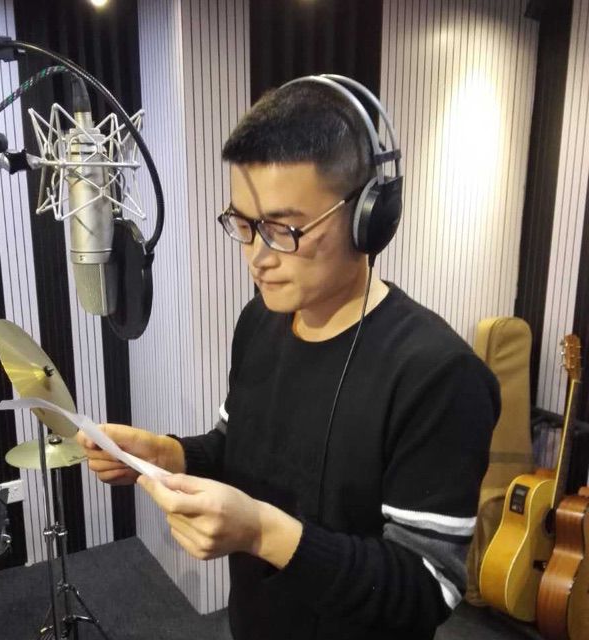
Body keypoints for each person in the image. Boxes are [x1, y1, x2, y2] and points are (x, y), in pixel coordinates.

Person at [78, 78, 500, 640]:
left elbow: (426, 588)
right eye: (243, 225)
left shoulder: (439, 376)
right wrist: (168, 454)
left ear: (368, 217)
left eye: (283, 229)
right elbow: (238, 449)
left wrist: (261, 534)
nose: (257, 256)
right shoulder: (259, 321)